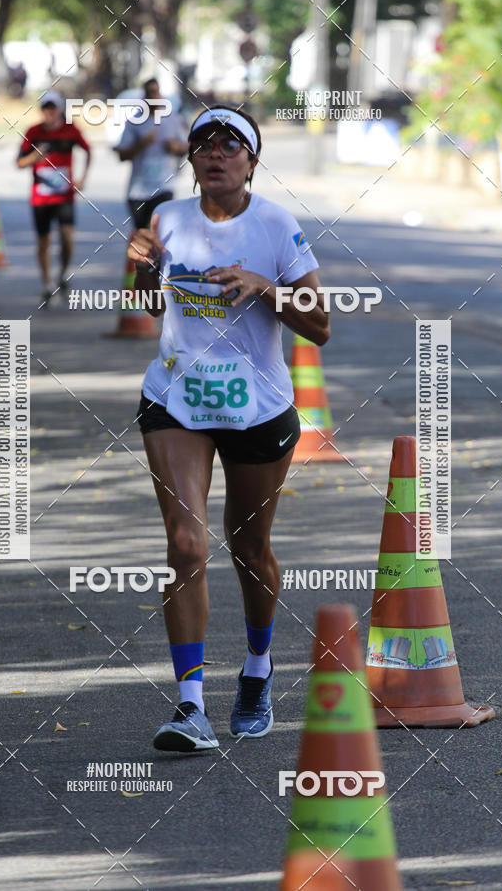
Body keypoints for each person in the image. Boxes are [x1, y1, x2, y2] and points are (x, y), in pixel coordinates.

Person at [127, 105, 330, 752]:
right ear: (191, 159)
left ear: (252, 159)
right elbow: (145, 301)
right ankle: (190, 708)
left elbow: (320, 323)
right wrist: (138, 266)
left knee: (249, 549)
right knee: (187, 544)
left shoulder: (275, 225)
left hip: (258, 408)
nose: (216, 152)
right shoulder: (167, 217)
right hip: (176, 398)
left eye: (231, 143)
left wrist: (264, 286)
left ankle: (257, 670)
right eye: (204, 143)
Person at [17, 90, 91, 306]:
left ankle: (63, 273)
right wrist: (34, 156)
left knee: (67, 238)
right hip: (40, 199)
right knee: (44, 242)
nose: (49, 112)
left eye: (53, 108)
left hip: (65, 196)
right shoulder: (33, 132)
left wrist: (82, 178)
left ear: (60, 110)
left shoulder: (70, 131)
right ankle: (47, 284)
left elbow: (88, 150)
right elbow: (20, 163)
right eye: (45, 108)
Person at [116, 77, 188, 230]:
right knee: (141, 233)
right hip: (138, 189)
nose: (154, 97)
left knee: (159, 230)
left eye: (156, 93)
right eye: (150, 93)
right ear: (144, 97)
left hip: (164, 186)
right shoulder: (134, 122)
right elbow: (122, 155)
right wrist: (141, 144)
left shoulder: (173, 119)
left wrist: (175, 147)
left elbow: (188, 146)